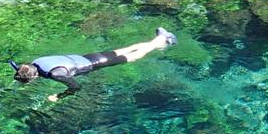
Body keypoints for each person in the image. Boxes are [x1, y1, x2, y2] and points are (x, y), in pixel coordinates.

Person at [10, 27, 178, 101]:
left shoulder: (55, 74)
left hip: (96, 63)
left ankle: (164, 39)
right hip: (88, 56)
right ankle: (161, 40)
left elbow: (76, 87)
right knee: (126, 49)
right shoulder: (32, 64)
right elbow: (18, 67)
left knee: (133, 57)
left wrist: (58, 97)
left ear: (33, 78)